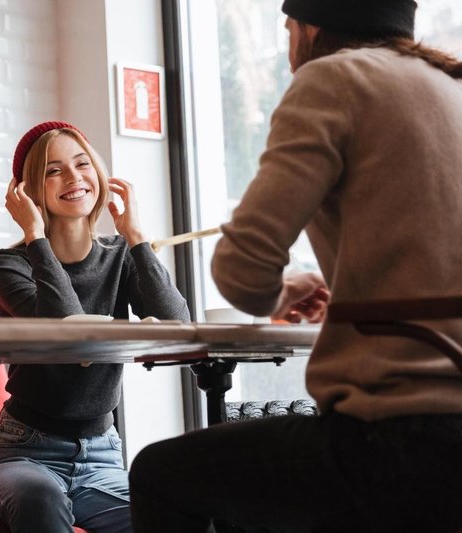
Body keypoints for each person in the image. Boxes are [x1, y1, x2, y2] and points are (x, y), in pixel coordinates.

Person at [130, 1, 462, 531]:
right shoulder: (449, 84)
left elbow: (242, 270)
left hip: (398, 435)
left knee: (158, 474)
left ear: (310, 27)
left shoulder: (334, 78)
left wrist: (281, 292)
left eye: (287, 27)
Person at [0, 120, 190, 533]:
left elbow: (177, 328)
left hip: (103, 455)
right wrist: (35, 236)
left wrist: (137, 238)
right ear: (29, 191)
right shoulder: (8, 265)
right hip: (24, 453)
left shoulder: (119, 255)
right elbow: (68, 333)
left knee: (173, 515)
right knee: (41, 498)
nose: (73, 178)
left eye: (82, 163)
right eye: (53, 170)